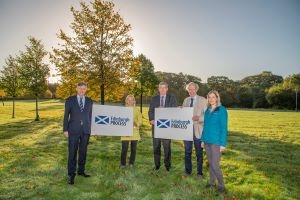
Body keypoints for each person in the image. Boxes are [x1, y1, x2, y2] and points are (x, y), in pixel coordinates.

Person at [63, 82, 93, 185]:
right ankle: (71, 174)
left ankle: (81, 171)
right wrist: (65, 130)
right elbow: (66, 116)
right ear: (76, 88)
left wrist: (91, 129)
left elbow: (90, 117)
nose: (82, 90)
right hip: (73, 130)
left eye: (84, 89)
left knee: (83, 152)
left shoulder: (89, 101)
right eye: (80, 88)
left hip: (85, 130)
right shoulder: (70, 100)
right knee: (72, 153)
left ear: (86, 90)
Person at [201, 90, 228, 194]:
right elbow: (205, 126)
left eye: (213, 97)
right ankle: (212, 184)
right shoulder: (207, 110)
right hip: (207, 140)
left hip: (216, 142)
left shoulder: (221, 110)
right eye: (209, 97)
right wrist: (203, 140)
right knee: (210, 164)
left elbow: (223, 128)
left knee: (215, 165)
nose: (211, 99)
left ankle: (222, 186)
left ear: (217, 98)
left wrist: (222, 144)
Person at [148, 81, 177, 171]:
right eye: (161, 87)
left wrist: (164, 110)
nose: (163, 89)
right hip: (156, 127)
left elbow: (174, 110)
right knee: (156, 146)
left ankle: (167, 165)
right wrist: (151, 119)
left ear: (167, 89)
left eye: (164, 87)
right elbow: (151, 111)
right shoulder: (154, 98)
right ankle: (157, 165)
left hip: (167, 127)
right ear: (158, 89)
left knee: (167, 147)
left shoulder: (171, 98)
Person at [182, 82, 207, 178]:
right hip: (186, 129)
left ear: (196, 90)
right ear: (187, 90)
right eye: (189, 89)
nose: (191, 91)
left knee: (199, 152)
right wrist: (180, 110)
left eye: (193, 89)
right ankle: (188, 171)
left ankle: (199, 173)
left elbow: (207, 116)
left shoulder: (203, 100)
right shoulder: (186, 100)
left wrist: (199, 118)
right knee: (187, 151)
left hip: (198, 130)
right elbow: (184, 114)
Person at [120, 95, 142, 168]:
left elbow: (140, 122)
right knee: (124, 149)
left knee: (133, 149)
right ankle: (123, 164)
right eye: (128, 100)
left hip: (134, 132)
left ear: (134, 101)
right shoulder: (122, 110)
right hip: (125, 132)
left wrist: (135, 123)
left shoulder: (137, 110)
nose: (130, 101)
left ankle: (131, 163)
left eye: (131, 100)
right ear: (126, 101)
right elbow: (119, 120)